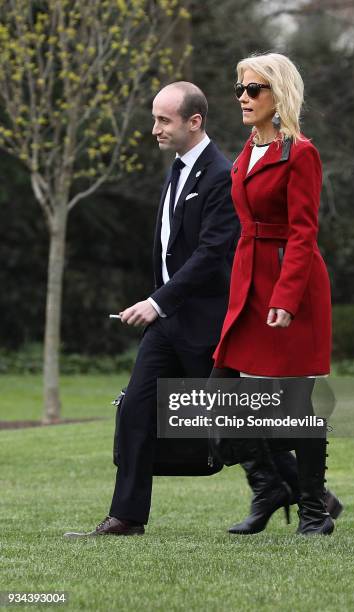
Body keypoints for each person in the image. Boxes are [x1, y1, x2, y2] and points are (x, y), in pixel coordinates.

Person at [64, 81, 240, 536]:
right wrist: (158, 305)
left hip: (203, 324)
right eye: (155, 118)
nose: (154, 128)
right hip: (167, 323)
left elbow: (212, 253)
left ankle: (311, 495)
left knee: (234, 422)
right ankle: (127, 517)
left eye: (164, 120)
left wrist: (156, 301)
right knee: (137, 408)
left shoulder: (221, 174)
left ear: (194, 121)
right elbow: (170, 250)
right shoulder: (176, 170)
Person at [212, 53, 337, 535]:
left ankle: (314, 512)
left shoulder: (300, 152)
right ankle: (269, 488)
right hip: (247, 283)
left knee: (295, 406)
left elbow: (305, 232)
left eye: (254, 89)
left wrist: (285, 299)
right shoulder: (248, 149)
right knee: (220, 395)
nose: (243, 97)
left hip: (291, 286)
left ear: (278, 95)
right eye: (240, 88)